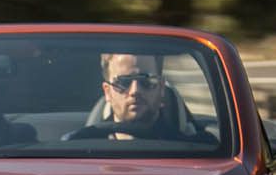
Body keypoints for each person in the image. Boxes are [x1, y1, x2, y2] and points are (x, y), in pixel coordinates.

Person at [66, 51, 215, 143]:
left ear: (161, 88)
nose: (135, 91)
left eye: (147, 81)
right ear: (107, 92)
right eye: (124, 82)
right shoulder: (78, 146)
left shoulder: (198, 149)